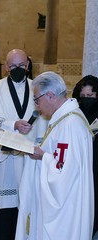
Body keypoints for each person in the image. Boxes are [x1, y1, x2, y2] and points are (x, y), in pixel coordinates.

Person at [16, 71, 94, 240]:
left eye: (37, 100)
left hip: (67, 209)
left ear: (50, 96)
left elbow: (64, 173)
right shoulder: (64, 119)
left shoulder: (70, 124)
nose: (37, 106)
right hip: (67, 202)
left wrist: (41, 156)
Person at [0, 49, 47, 240]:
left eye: (22, 65)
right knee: (2, 200)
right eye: (13, 66)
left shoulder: (37, 87)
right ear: (6, 67)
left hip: (28, 154)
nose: (18, 69)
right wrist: (13, 125)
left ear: (27, 65)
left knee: (25, 199)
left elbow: (45, 117)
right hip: (4, 156)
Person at [72, 74, 98, 237]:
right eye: (83, 96)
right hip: (80, 165)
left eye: (91, 96)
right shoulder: (75, 114)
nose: (86, 99)